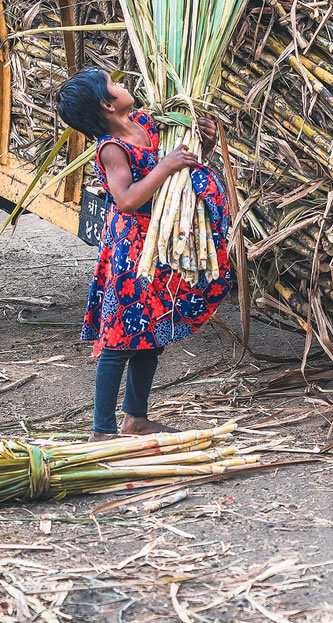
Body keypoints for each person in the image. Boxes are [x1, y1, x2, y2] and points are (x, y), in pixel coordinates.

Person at [56, 67, 231, 441]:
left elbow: (182, 162)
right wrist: (166, 165)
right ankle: (101, 430)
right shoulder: (112, 148)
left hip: (160, 243)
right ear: (106, 104)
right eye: (114, 85)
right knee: (119, 343)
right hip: (131, 252)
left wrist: (203, 142)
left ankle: (135, 418)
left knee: (151, 336)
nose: (123, 86)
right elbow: (128, 199)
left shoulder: (145, 122)